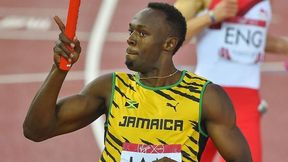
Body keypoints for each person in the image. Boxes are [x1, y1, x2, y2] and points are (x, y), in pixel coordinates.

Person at [23, 2, 252, 162]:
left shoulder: (205, 96)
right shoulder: (110, 88)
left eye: (142, 34)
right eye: (131, 31)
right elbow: (36, 130)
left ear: (169, 44)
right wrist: (59, 69)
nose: (130, 39)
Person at [174, 0, 288, 162]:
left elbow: (255, 34)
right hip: (205, 100)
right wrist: (211, 16)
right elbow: (170, 33)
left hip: (246, 101)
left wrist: (283, 46)